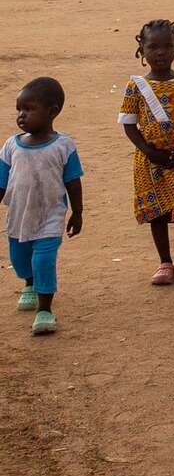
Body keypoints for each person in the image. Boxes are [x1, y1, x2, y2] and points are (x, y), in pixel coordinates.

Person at [118, 20, 174, 285]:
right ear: (141, 50)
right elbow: (129, 123)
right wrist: (148, 150)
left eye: (168, 46)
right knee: (156, 210)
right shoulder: (135, 87)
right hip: (150, 160)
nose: (161, 52)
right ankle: (165, 261)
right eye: (153, 46)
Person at [0, 77, 84, 335]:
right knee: (20, 258)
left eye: (28, 109)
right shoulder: (11, 146)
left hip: (50, 215)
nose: (21, 116)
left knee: (44, 260)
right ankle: (29, 283)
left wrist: (77, 212)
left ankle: (45, 309)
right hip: (19, 215)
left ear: (52, 112)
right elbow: (2, 183)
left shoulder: (64, 147)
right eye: (19, 110)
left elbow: (73, 182)